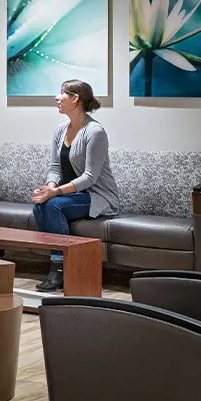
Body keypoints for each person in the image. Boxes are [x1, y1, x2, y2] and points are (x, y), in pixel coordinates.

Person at [31, 79, 120, 292]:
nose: (56, 97)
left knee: (52, 205)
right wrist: (49, 188)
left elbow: (90, 177)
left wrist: (55, 192)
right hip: (72, 195)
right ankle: (61, 264)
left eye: (62, 93)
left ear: (75, 99)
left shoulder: (95, 132)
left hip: (98, 195)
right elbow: (54, 167)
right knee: (39, 205)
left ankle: (60, 270)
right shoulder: (60, 130)